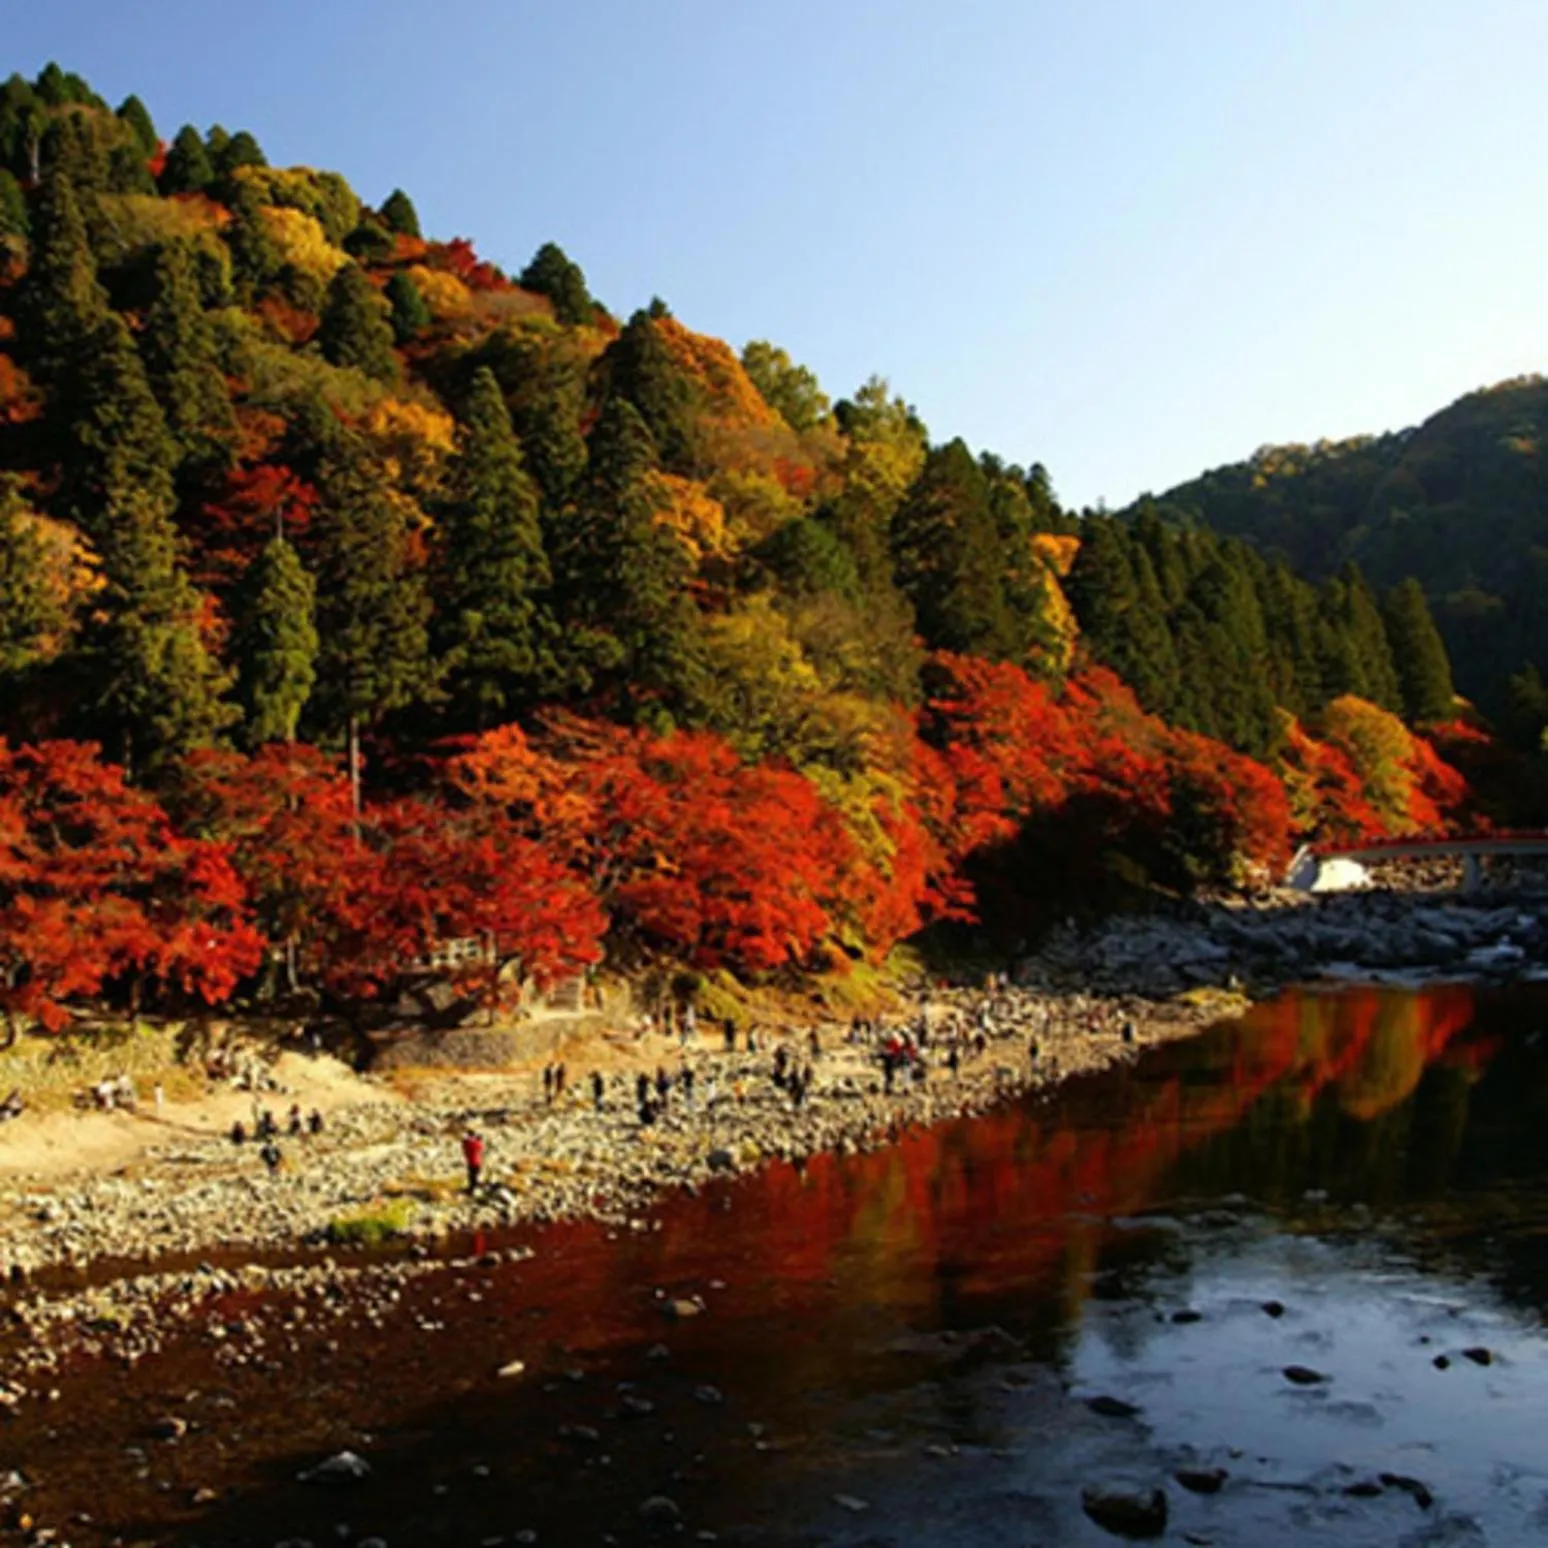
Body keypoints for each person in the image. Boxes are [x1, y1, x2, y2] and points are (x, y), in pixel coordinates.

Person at [461, 1129, 485, 1194]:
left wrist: (465, 1140)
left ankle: (472, 1188)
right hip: (477, 1161)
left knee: (471, 1176)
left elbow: (463, 1146)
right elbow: (481, 1148)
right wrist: (478, 1139)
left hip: (469, 1162)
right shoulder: (477, 1143)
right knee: (477, 1175)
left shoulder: (466, 1143)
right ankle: (477, 1188)